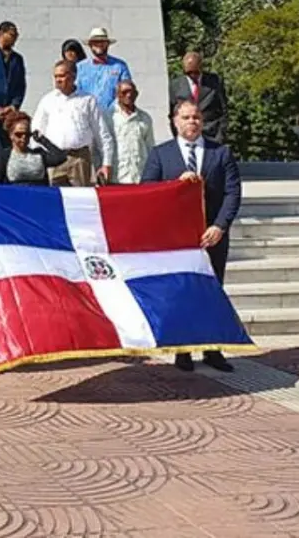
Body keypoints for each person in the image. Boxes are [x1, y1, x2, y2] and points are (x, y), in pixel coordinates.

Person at [141, 100, 242, 374]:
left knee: (212, 291)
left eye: (196, 117)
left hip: (212, 236)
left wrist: (220, 226)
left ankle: (213, 349)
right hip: (176, 239)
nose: (192, 122)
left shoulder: (220, 153)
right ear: (175, 121)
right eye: (186, 117)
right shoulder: (161, 154)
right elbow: (146, 190)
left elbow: (232, 193)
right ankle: (183, 350)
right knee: (181, 292)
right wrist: (174, 186)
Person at [33, 60, 114, 187]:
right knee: (54, 197)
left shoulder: (87, 100)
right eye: (56, 76)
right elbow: (36, 130)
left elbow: (101, 132)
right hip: (54, 159)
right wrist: (37, 159)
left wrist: (106, 163)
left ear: (73, 76)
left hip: (79, 159)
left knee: (81, 197)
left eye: (62, 76)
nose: (58, 80)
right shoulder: (47, 100)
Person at [0, 111, 68, 185]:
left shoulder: (39, 154)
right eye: (19, 134)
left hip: (38, 194)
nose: (23, 138)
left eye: (27, 134)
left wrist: (42, 140)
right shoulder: (2, 156)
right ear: (11, 135)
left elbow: (61, 157)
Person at [169, 51, 228, 143]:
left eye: (196, 72)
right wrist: (178, 136)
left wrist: (220, 136)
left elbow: (224, 111)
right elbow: (173, 114)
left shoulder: (214, 81)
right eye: (189, 73)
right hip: (187, 136)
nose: (193, 75)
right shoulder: (175, 85)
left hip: (212, 135)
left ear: (201, 67)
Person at [76, 27, 133, 113]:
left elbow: (127, 91)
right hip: (87, 113)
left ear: (108, 44)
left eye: (102, 42)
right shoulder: (79, 67)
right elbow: (75, 92)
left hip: (113, 114)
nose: (99, 45)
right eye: (95, 42)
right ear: (90, 45)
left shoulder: (120, 66)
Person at [110, 80, 155, 184]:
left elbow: (150, 146)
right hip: (116, 177)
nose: (129, 95)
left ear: (136, 94)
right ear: (117, 95)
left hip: (139, 176)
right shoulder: (109, 117)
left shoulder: (145, 118)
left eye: (132, 92)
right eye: (124, 92)